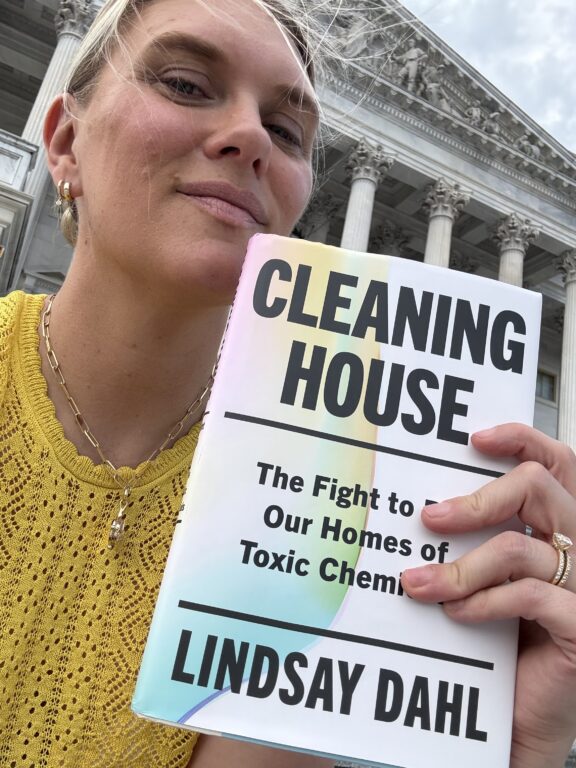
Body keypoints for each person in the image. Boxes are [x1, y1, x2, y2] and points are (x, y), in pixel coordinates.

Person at [1, 1, 576, 767]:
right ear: (64, 142)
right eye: (185, 83)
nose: (248, 139)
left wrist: (509, 749)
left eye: (288, 132)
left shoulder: (327, 501)